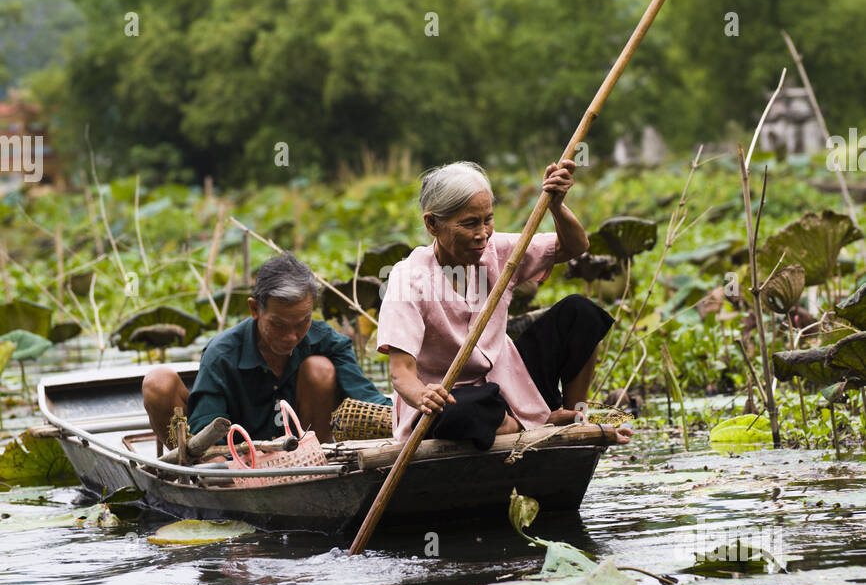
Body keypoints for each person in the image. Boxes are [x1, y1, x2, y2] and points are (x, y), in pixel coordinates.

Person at [376, 160, 633, 450]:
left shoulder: (496, 250)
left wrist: (557, 206)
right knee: (465, 412)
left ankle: (572, 420)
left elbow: (575, 246)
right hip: (452, 401)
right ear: (432, 224)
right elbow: (401, 371)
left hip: (513, 386)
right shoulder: (408, 278)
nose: (482, 234)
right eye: (470, 223)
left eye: (487, 219)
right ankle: (527, 423)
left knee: (581, 313)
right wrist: (423, 395)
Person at [142, 252, 389, 446]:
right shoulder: (222, 353)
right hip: (237, 455)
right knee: (157, 382)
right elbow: (206, 422)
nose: (291, 336)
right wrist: (212, 462)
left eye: (302, 322)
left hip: (305, 451)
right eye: (278, 325)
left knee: (320, 368)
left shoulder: (327, 341)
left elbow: (365, 396)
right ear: (254, 310)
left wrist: (407, 416)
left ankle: (318, 457)